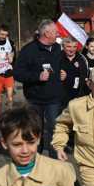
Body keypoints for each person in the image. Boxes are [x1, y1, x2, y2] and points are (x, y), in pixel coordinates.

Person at [15, 20, 65, 156]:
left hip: (54, 98)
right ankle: (35, 158)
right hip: (35, 99)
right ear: (47, 33)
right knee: (35, 130)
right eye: (55, 32)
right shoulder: (28, 50)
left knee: (55, 129)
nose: (58, 34)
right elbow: (18, 74)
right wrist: (37, 76)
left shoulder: (57, 48)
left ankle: (55, 161)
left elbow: (60, 65)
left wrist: (63, 72)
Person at [59, 36, 90, 110]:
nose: (72, 49)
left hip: (78, 98)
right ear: (63, 46)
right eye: (69, 47)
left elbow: (87, 76)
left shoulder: (82, 59)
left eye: (74, 47)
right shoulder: (57, 58)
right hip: (61, 99)